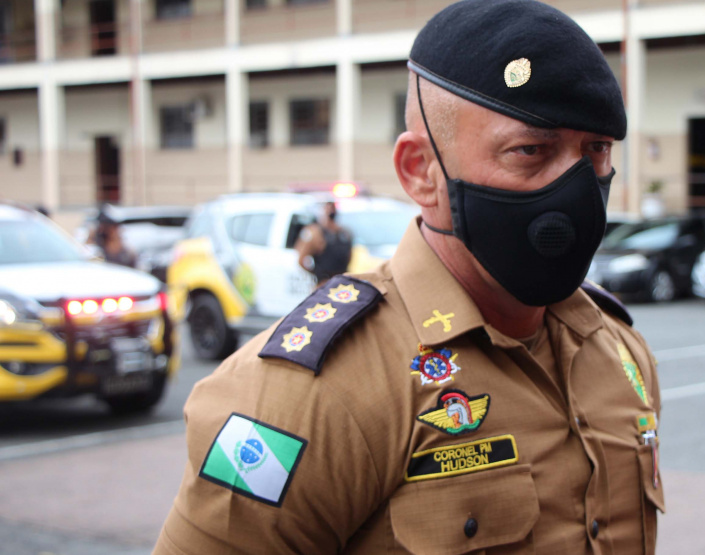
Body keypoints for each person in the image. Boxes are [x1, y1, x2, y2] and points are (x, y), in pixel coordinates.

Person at [153, 1, 663, 553]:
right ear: (421, 172)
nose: (577, 188)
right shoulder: (308, 395)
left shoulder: (616, 350)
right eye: (531, 150)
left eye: (597, 151)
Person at [294, 201, 353, 286]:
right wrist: (318, 275)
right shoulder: (316, 232)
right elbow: (301, 259)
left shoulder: (344, 233)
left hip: (340, 282)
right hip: (326, 282)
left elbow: (349, 257)